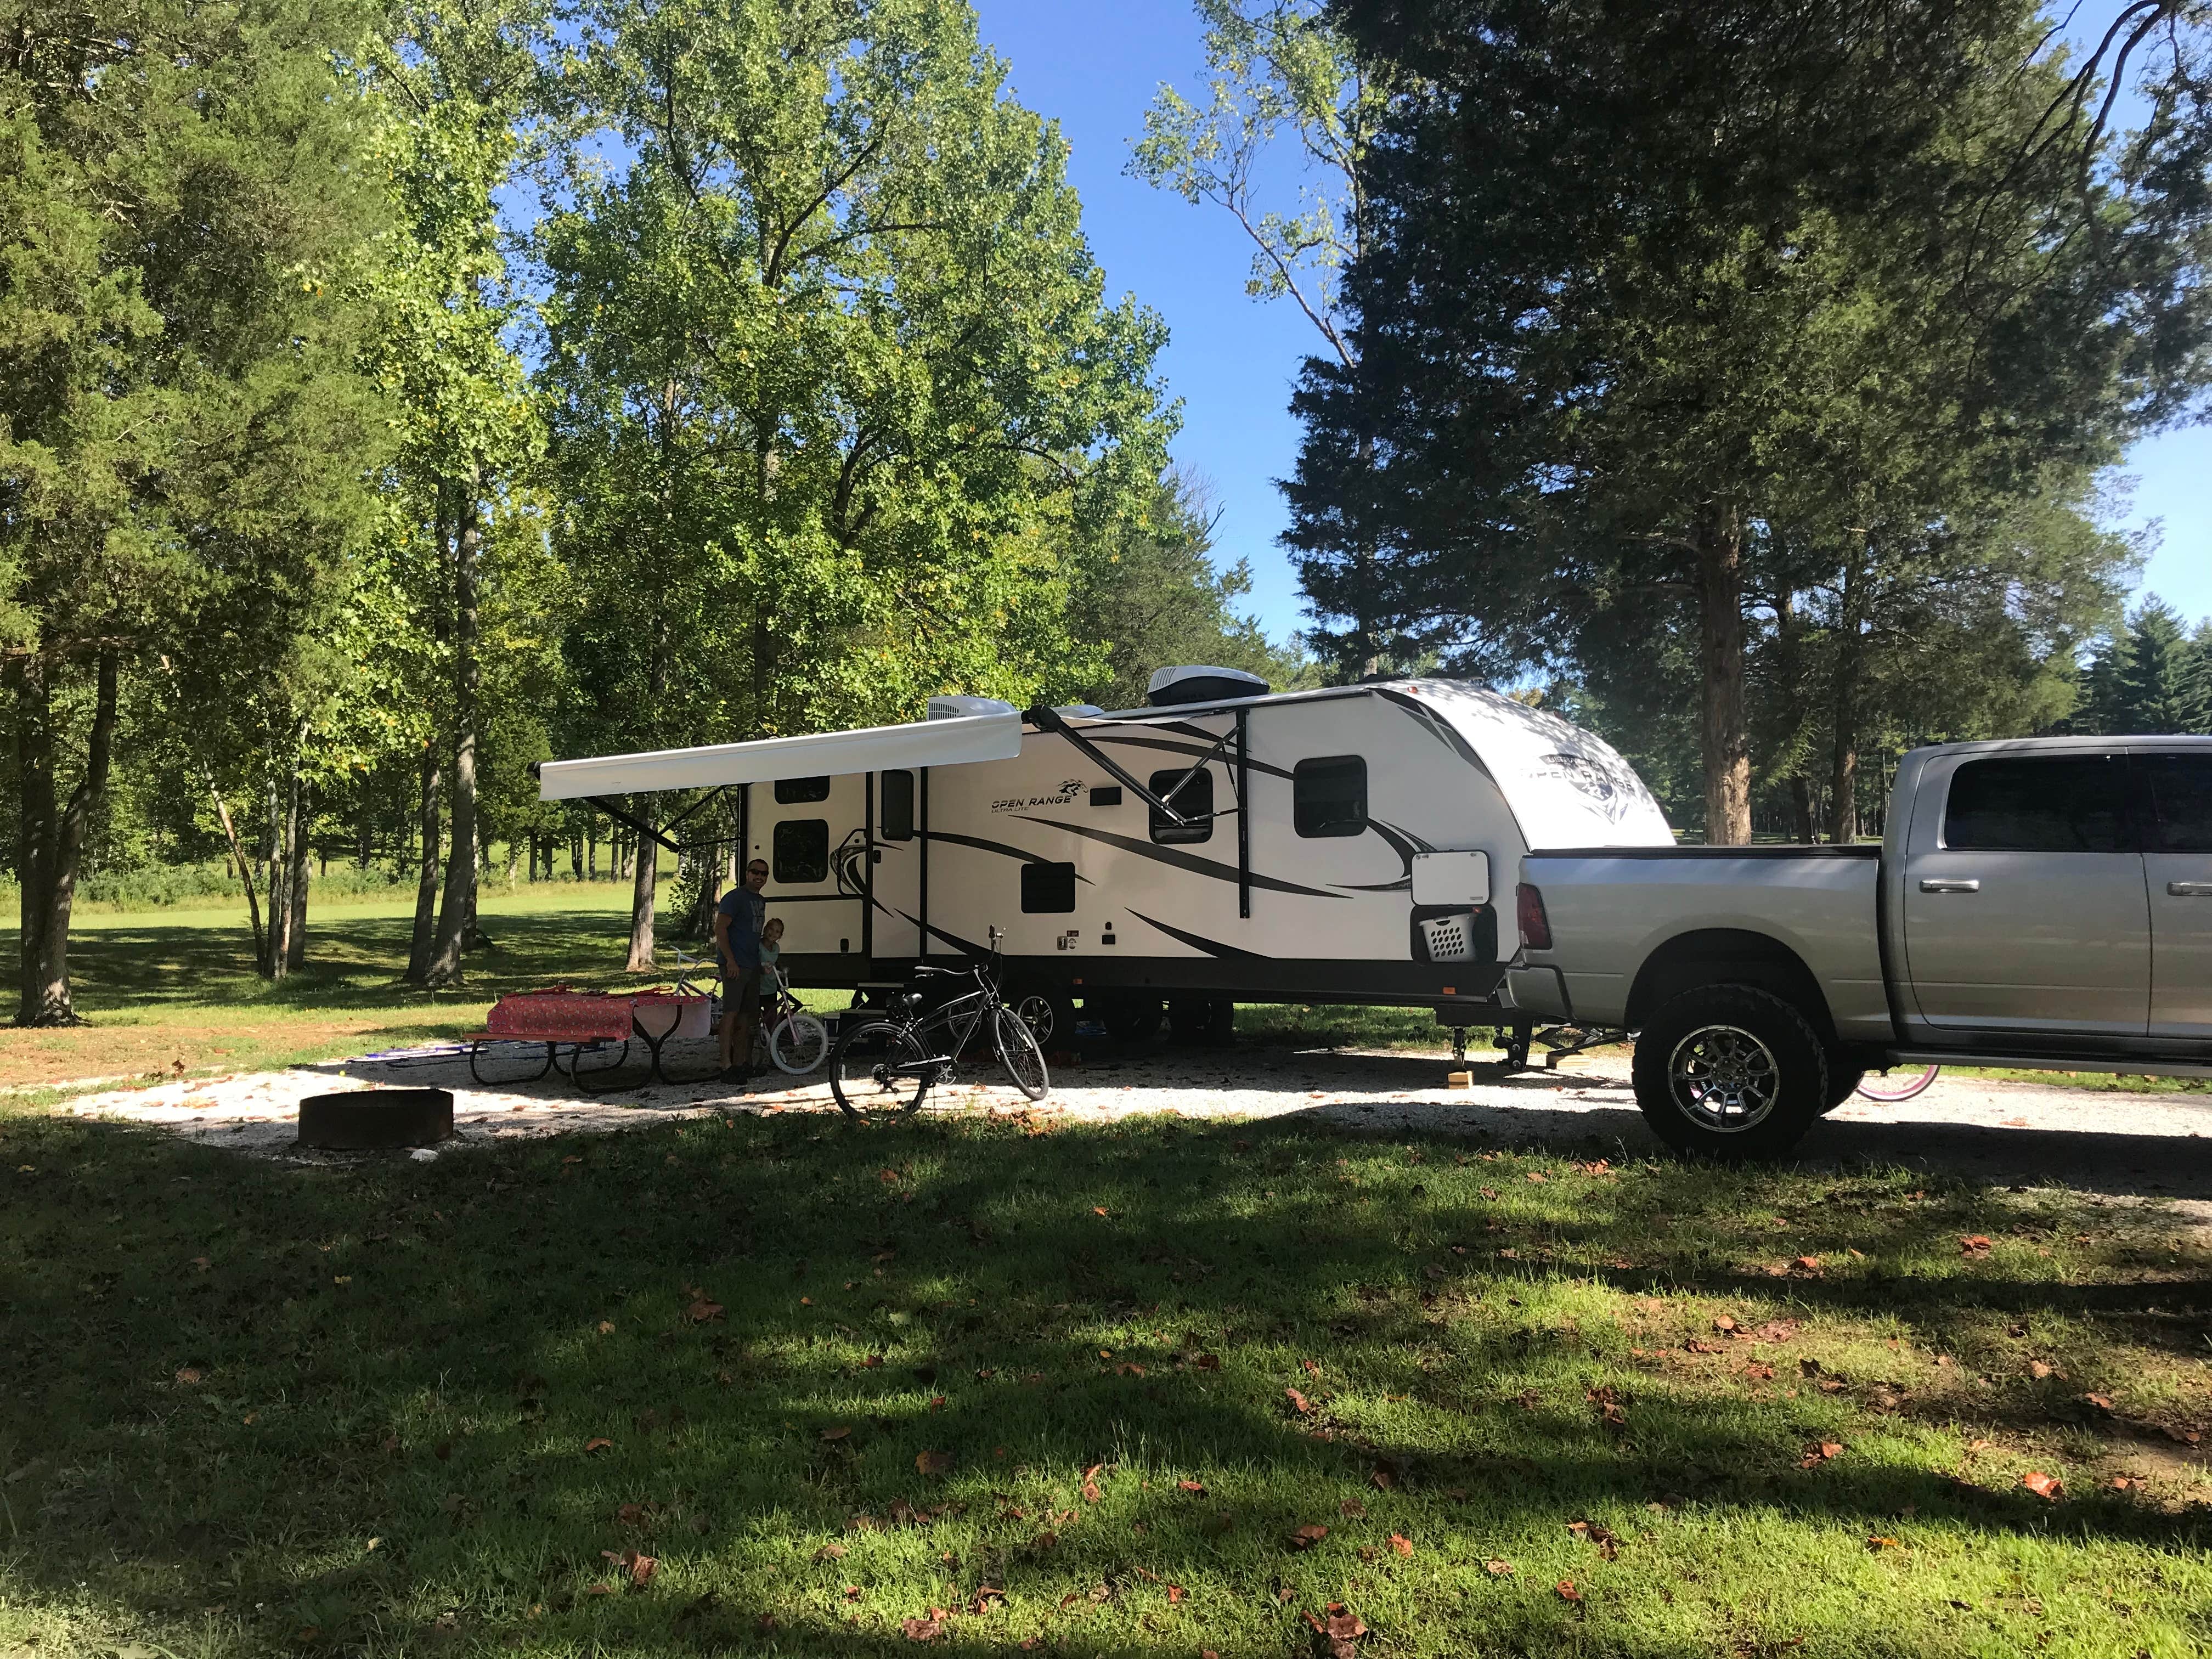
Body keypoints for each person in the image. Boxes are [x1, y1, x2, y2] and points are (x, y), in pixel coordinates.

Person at [715, 859, 769, 1081]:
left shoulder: (759, 900)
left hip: (752, 964)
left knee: (748, 1016)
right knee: (731, 1013)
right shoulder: (734, 898)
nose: (759, 876)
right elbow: (720, 929)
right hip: (735, 965)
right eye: (755, 872)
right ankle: (725, 1066)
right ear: (747, 874)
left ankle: (741, 1063)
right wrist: (730, 961)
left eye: (764, 874)